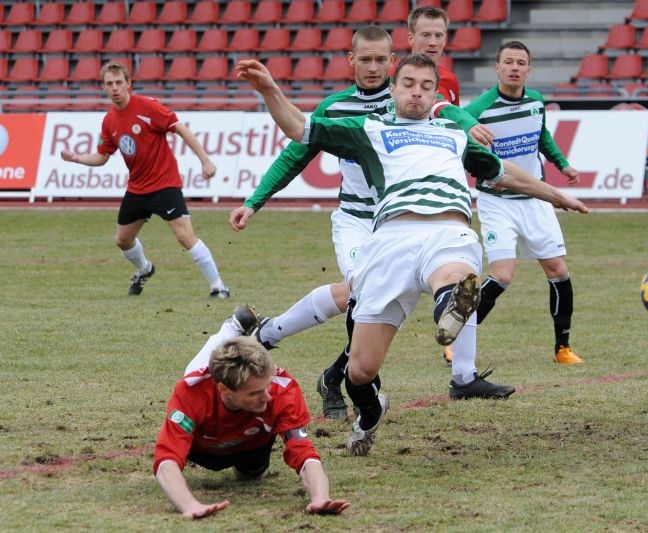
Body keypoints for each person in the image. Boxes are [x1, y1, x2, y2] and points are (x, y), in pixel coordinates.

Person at [235, 53, 589, 456]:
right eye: (408, 84)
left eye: (425, 86)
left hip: (448, 230)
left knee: (454, 272)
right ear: (393, 88)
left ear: (436, 94)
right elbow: (301, 129)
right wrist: (270, 90)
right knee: (360, 371)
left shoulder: (453, 134)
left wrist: (556, 194)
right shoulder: (368, 128)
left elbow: (502, 173)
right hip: (389, 241)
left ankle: (453, 305)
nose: (416, 93)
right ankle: (370, 412)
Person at [228, 26, 505, 420]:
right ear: (351, 60)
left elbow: (452, 113)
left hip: (406, 221)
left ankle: (323, 362)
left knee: (419, 283)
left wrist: (469, 126)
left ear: (392, 64)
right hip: (359, 220)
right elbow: (296, 153)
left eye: (381, 60)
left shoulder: (415, 100)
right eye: (366, 59)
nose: (373, 67)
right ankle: (325, 366)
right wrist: (254, 202)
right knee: (359, 292)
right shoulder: (336, 108)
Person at [153, 305, 350, 518]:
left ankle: (237, 336)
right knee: (196, 371)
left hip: (253, 446)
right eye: (255, 393)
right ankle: (230, 329)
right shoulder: (192, 392)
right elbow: (166, 460)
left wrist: (320, 498)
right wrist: (189, 505)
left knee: (251, 473)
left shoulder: (281, 390)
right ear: (225, 391)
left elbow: (304, 453)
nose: (267, 397)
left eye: (266, 387)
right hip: (202, 448)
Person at [60, 61, 229, 298]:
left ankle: (219, 286)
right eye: (109, 84)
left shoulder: (148, 107)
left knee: (184, 236)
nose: (115, 88)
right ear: (104, 88)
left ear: (129, 84)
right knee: (122, 240)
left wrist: (205, 160)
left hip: (164, 184)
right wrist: (77, 158)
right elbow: (102, 156)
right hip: (137, 188)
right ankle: (145, 269)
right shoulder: (109, 121)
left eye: (119, 82)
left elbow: (179, 128)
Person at [462, 41, 584, 364]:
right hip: (496, 200)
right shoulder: (477, 111)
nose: (514, 68)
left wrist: (563, 165)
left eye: (520, 63)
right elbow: (460, 146)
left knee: (558, 270)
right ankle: (457, 340)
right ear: (497, 68)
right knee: (502, 274)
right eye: (508, 62)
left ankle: (563, 348)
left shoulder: (536, 101)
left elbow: (542, 137)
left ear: (529, 70)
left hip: (535, 198)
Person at [406, 6, 460, 104]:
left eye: (438, 36)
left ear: (444, 40)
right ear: (411, 39)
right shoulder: (391, 76)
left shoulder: (450, 81)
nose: (433, 42)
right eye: (426, 35)